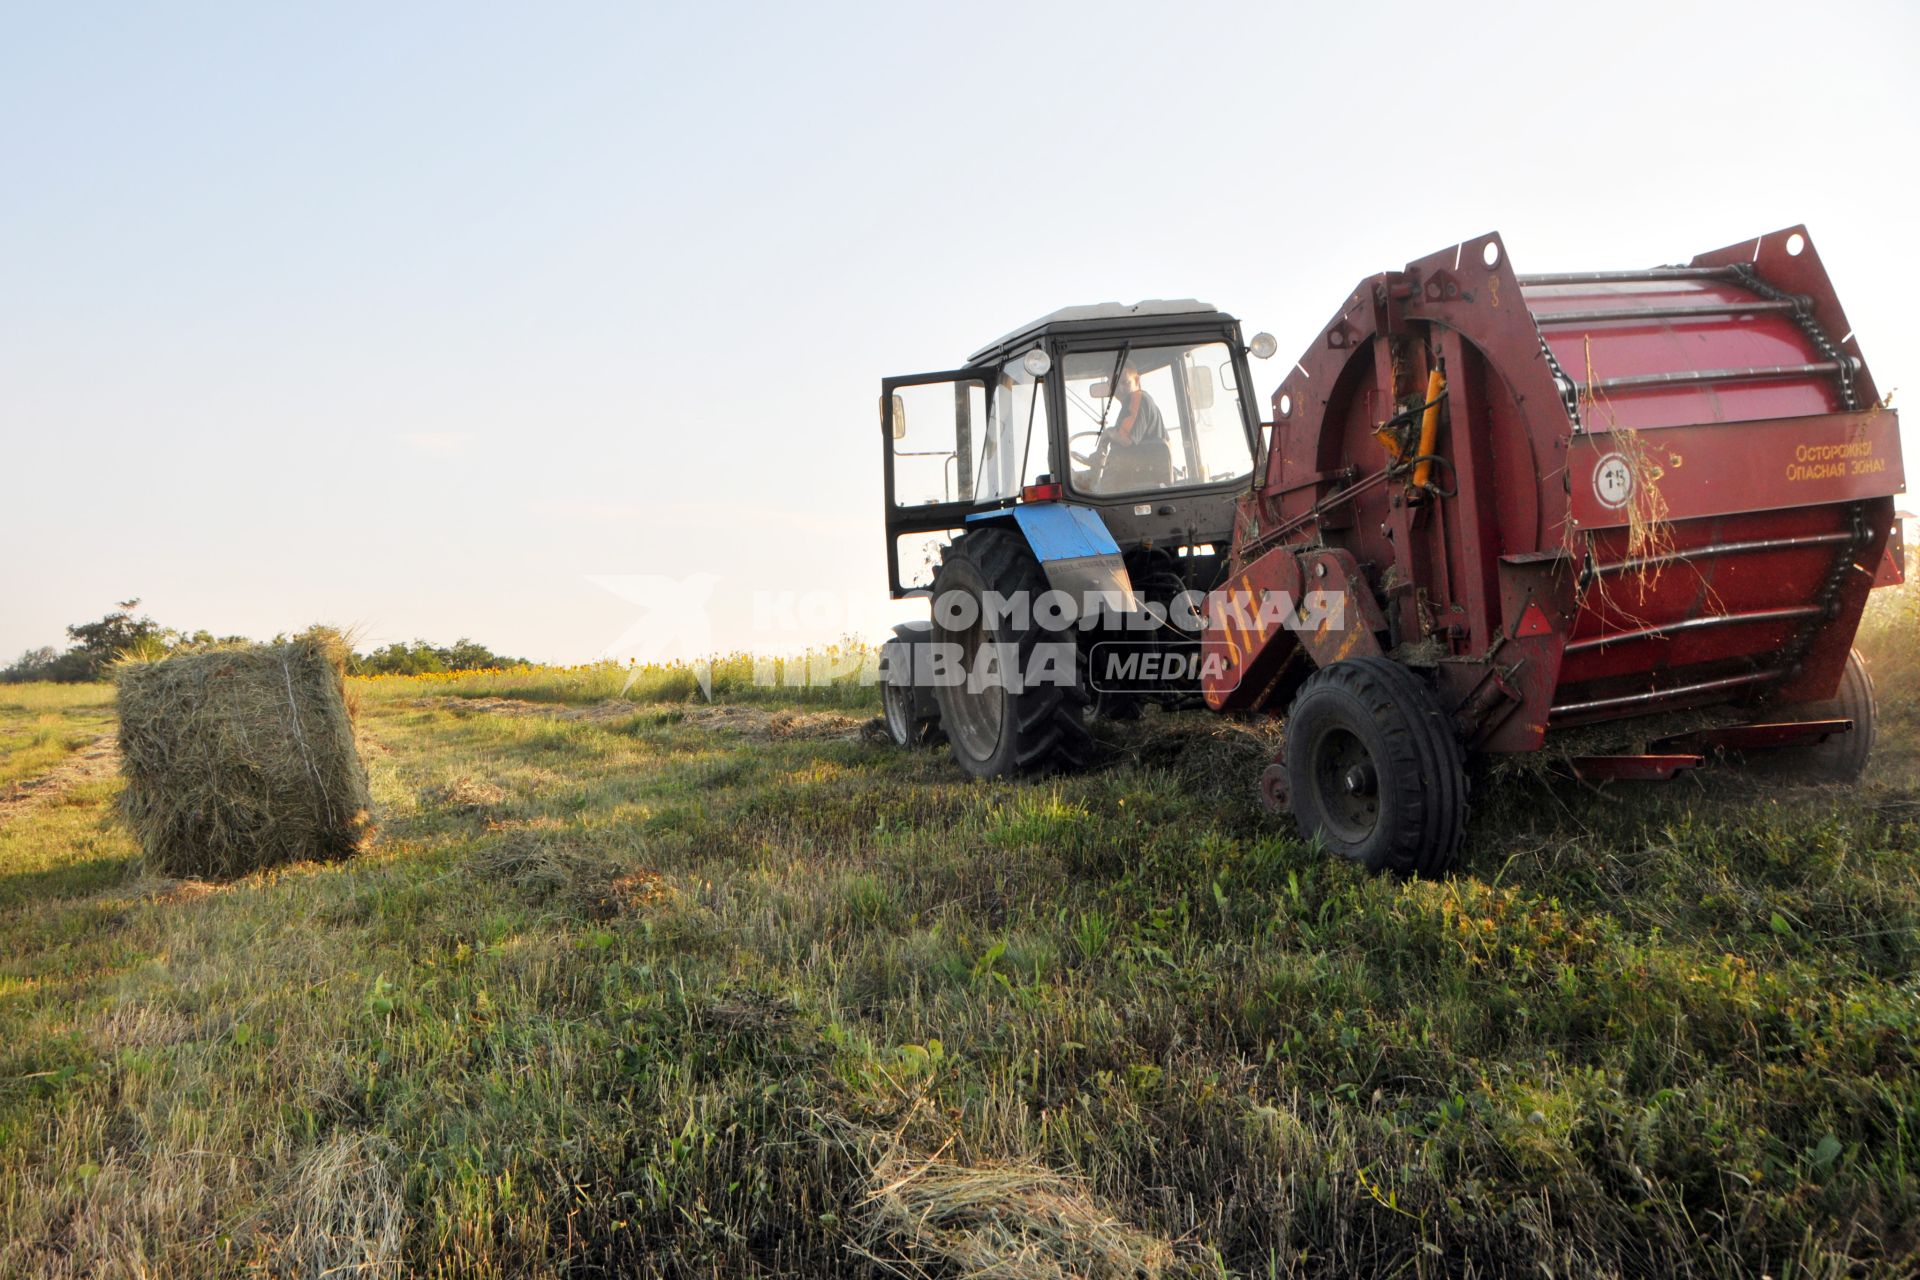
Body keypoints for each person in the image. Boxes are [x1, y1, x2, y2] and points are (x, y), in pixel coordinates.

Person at [1098, 360, 1172, 492]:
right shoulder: (1133, 405)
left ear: (1137, 381)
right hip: (1141, 481)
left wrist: (1108, 433)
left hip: (1140, 483)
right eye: (1114, 384)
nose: (1120, 389)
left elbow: (1125, 439)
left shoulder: (1137, 398)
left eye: (1125, 383)